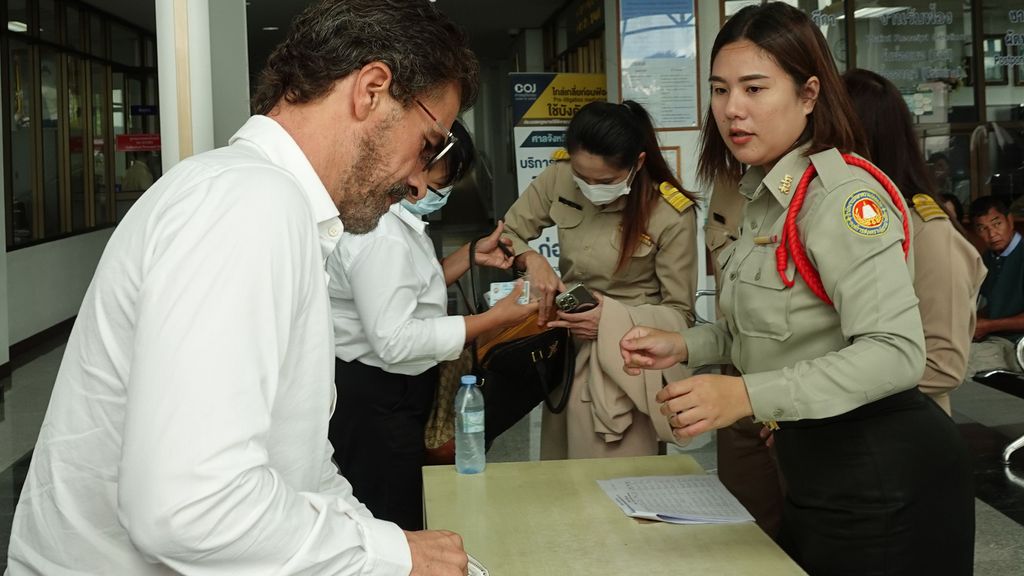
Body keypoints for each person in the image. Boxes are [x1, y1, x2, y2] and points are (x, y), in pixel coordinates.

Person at [7, 1, 478, 574]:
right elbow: (190, 509)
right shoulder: (249, 204)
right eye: (429, 144)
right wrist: (388, 554)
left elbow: (298, 463)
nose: (415, 180)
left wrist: (384, 543)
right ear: (372, 89)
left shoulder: (265, 203)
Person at [620, 4, 974, 575]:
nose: (733, 109)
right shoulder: (767, 195)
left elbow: (898, 352)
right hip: (814, 464)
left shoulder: (840, 198)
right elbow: (773, 330)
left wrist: (744, 397)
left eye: (755, 88)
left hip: (881, 470)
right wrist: (689, 346)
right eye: (720, 90)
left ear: (809, 94)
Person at [327, 120, 536, 531]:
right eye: (445, 178)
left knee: (400, 505)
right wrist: (494, 320)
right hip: (378, 397)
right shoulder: (382, 234)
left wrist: (469, 255)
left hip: (384, 390)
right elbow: (396, 340)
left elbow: (408, 292)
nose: (445, 191)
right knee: (391, 519)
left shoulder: (393, 217)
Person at [502, 100, 699, 459]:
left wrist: (608, 321)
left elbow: (680, 314)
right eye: (583, 178)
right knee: (561, 471)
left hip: (628, 359)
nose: (591, 188)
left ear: (637, 163)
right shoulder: (560, 176)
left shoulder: (670, 212)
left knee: (619, 481)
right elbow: (507, 232)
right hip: (566, 351)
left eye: (605, 182)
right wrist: (531, 259)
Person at [844, 68, 987, 415]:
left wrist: (826, 397)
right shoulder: (848, 222)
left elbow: (942, 365)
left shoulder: (929, 233)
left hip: (901, 443)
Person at [704, 176, 785, 540]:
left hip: (796, 393)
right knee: (745, 533)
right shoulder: (728, 186)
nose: (734, 116)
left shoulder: (825, 193)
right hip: (736, 378)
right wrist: (681, 344)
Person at [969, 195, 1024, 374]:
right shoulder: (987, 259)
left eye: (996, 224)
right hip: (993, 338)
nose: (992, 234)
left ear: (1010, 220)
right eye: (982, 228)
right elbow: (989, 305)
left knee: (959, 362)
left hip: (1017, 343)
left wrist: (989, 325)